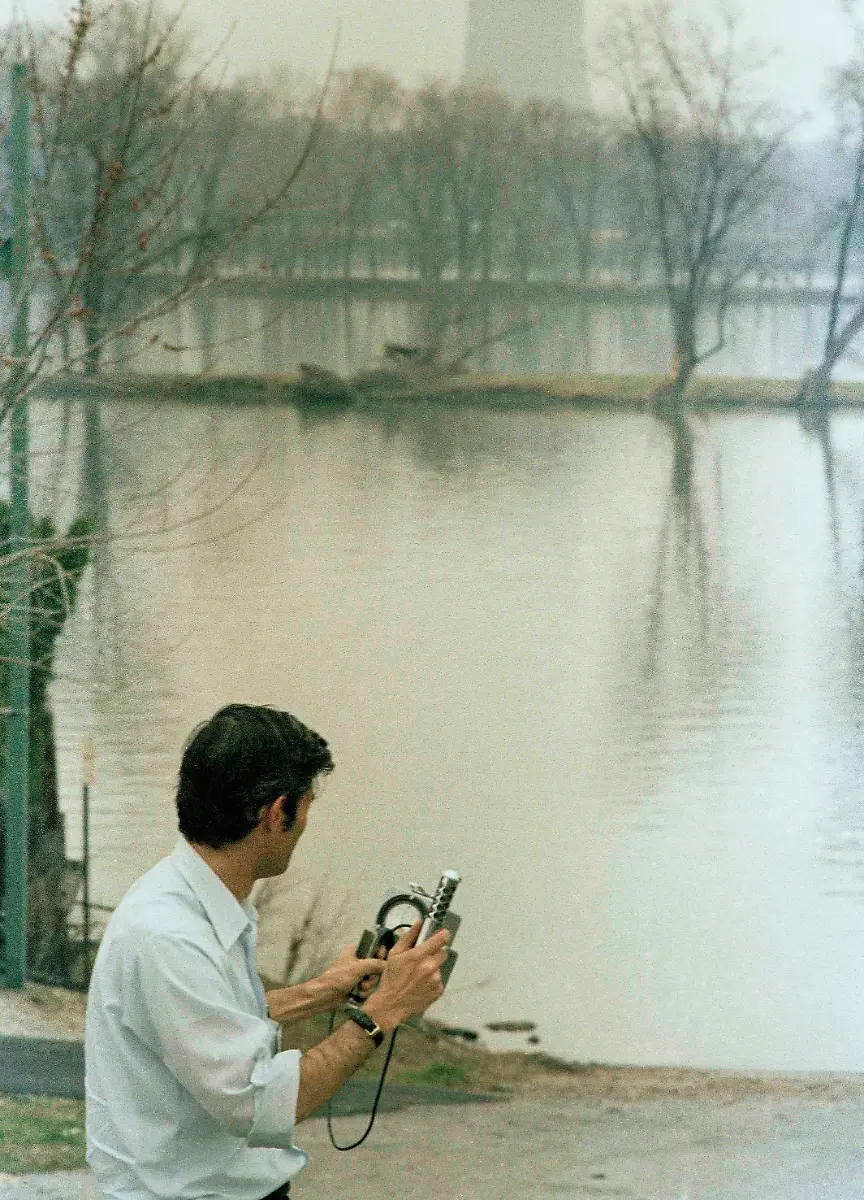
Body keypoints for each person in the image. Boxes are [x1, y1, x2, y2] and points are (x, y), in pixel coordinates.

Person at [84, 703, 451, 1200]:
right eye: (304, 811)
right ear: (276, 813)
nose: (303, 828)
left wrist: (324, 991)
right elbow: (258, 1105)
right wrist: (383, 1012)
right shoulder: (170, 936)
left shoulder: (189, 900)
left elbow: (210, 1021)